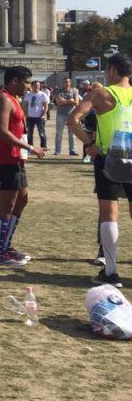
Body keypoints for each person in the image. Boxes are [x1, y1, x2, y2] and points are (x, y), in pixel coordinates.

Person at [69, 53, 132, 287]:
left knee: (109, 214)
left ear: (113, 69)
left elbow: (74, 119)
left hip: (109, 157)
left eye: (107, 69)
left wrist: (88, 143)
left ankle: (111, 270)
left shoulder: (100, 94)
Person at [0, 66, 45, 266]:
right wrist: (30, 147)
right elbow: (2, 132)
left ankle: (6, 246)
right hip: (5, 158)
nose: (29, 87)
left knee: (22, 198)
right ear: (14, 81)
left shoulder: (14, 99)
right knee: (7, 204)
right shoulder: (3, 99)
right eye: (26, 83)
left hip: (15, 158)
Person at [53, 77, 81, 156]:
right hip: (61, 114)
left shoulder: (75, 91)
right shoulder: (58, 91)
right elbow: (59, 102)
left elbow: (76, 103)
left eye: (67, 82)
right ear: (63, 83)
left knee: (72, 134)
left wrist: (65, 101)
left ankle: (72, 150)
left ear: (70, 83)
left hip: (72, 114)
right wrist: (70, 100)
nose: (66, 83)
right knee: (59, 133)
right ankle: (57, 150)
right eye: (65, 82)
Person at [23, 80, 50, 149]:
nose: (37, 87)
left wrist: (42, 115)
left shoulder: (43, 94)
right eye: (35, 85)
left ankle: (43, 147)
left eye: (38, 85)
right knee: (29, 134)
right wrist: (26, 113)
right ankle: (30, 148)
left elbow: (46, 106)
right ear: (32, 86)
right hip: (30, 117)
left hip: (39, 118)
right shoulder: (28, 94)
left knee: (42, 133)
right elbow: (25, 104)